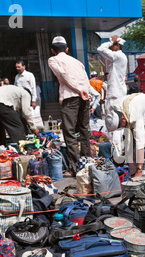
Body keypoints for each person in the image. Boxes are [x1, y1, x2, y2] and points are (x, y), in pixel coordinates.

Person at [48, 35, 92, 177]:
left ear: (52, 50)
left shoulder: (53, 60)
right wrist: (86, 93)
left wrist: (78, 90)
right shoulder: (77, 62)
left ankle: (75, 167)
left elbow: (63, 76)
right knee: (85, 129)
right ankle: (87, 162)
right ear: (67, 49)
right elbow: (86, 78)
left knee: (69, 132)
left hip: (71, 97)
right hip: (84, 96)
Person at [105, 93, 145, 177]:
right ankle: (132, 173)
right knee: (128, 141)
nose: (122, 128)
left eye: (122, 126)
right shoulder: (113, 110)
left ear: (123, 118)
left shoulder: (134, 115)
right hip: (137, 108)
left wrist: (140, 169)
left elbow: (140, 144)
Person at [97, 35, 128, 114]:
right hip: (118, 93)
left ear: (117, 46)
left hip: (115, 95)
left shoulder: (117, 56)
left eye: (112, 46)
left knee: (112, 119)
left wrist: (111, 42)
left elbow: (100, 49)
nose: (110, 47)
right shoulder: (120, 56)